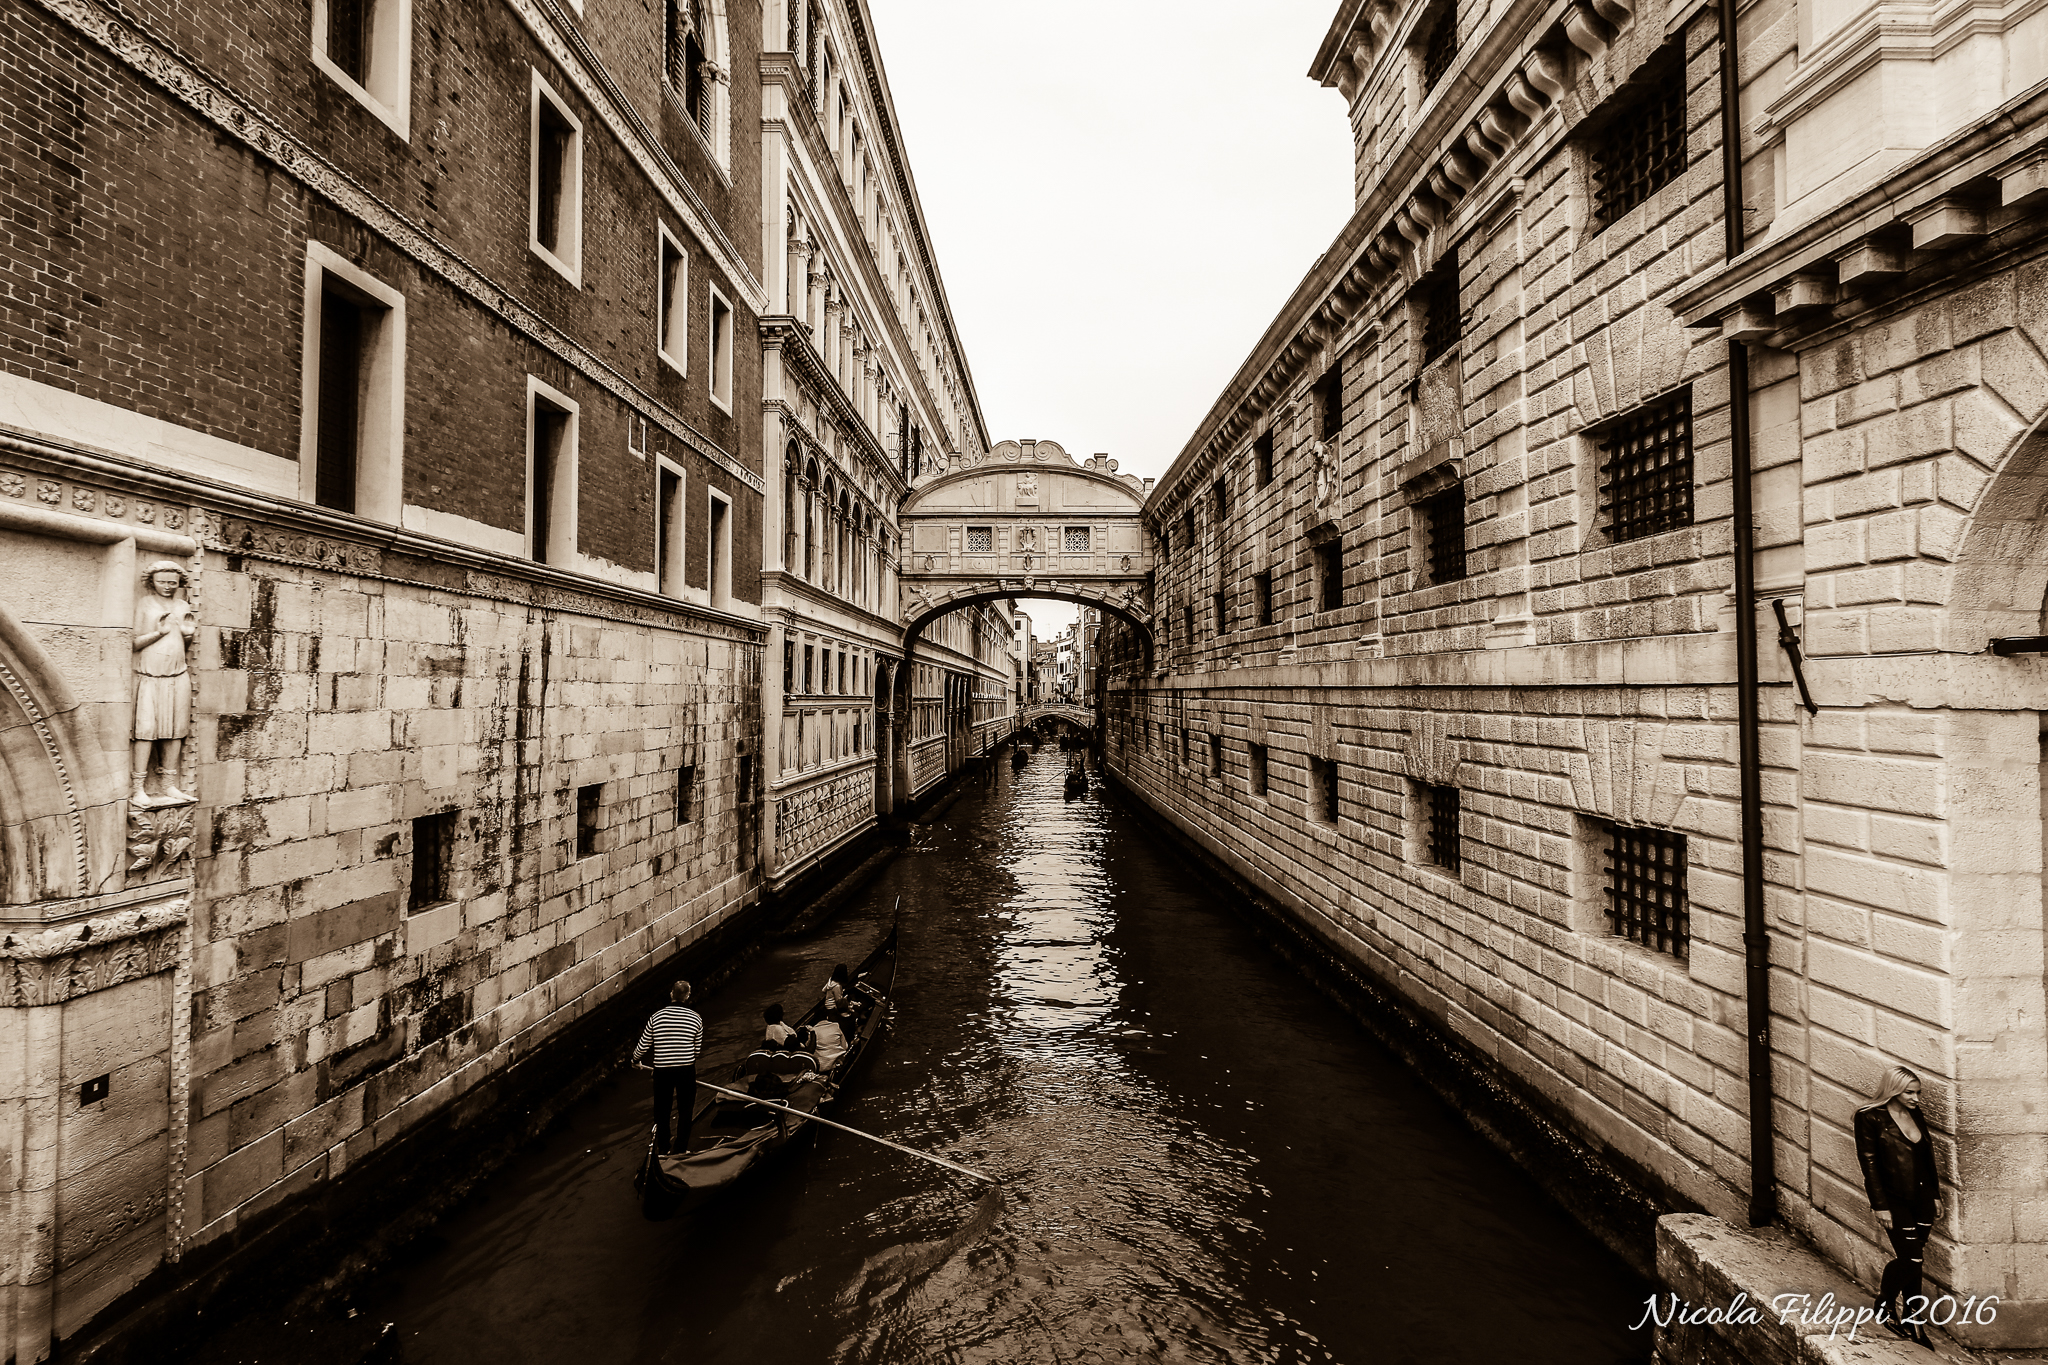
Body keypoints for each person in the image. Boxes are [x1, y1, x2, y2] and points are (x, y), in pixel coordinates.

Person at [1854, 1065, 1942, 1344]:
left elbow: (1927, 1160)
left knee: (1914, 1258)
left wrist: (1936, 1195)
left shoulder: (1916, 1114)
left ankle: (1912, 1317)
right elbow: (1869, 1164)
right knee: (1911, 1258)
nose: (1916, 1098)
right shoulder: (1869, 1118)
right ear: (1893, 1089)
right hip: (1894, 1199)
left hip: (1923, 1199)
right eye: (1909, 1093)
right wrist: (1879, 1205)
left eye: (1918, 1092)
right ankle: (1885, 1301)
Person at [131, 561, 197, 807]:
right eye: (162, 582)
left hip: (177, 675)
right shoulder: (145, 603)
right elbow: (134, 643)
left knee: (176, 730)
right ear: (152, 582)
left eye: (173, 582)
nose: (168, 587)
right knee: (146, 731)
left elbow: (184, 647)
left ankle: (168, 783)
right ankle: (138, 787)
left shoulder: (182, 606)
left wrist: (187, 635)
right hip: (150, 676)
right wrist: (158, 633)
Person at [633, 980, 703, 1153]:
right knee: (685, 1111)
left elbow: (642, 1046)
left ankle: (663, 1148)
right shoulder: (696, 1018)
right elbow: (697, 1051)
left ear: (671, 994)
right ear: (687, 996)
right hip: (686, 1070)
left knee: (661, 1111)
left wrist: (635, 1061)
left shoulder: (656, 1017)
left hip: (662, 1071)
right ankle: (680, 1149)